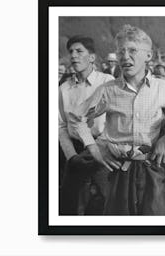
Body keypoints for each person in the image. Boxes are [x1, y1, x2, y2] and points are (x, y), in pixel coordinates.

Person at [70, 25, 165, 215]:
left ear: (148, 56)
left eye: (132, 50)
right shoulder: (108, 90)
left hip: (155, 171)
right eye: (120, 51)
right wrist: (95, 149)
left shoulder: (162, 88)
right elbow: (76, 118)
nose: (124, 56)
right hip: (120, 172)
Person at [59, 35, 114, 215]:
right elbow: (61, 126)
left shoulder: (107, 82)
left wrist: (102, 149)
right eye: (71, 52)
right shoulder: (64, 89)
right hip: (75, 151)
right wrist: (72, 156)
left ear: (92, 57)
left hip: (103, 149)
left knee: (106, 203)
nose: (73, 56)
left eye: (79, 51)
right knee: (69, 205)